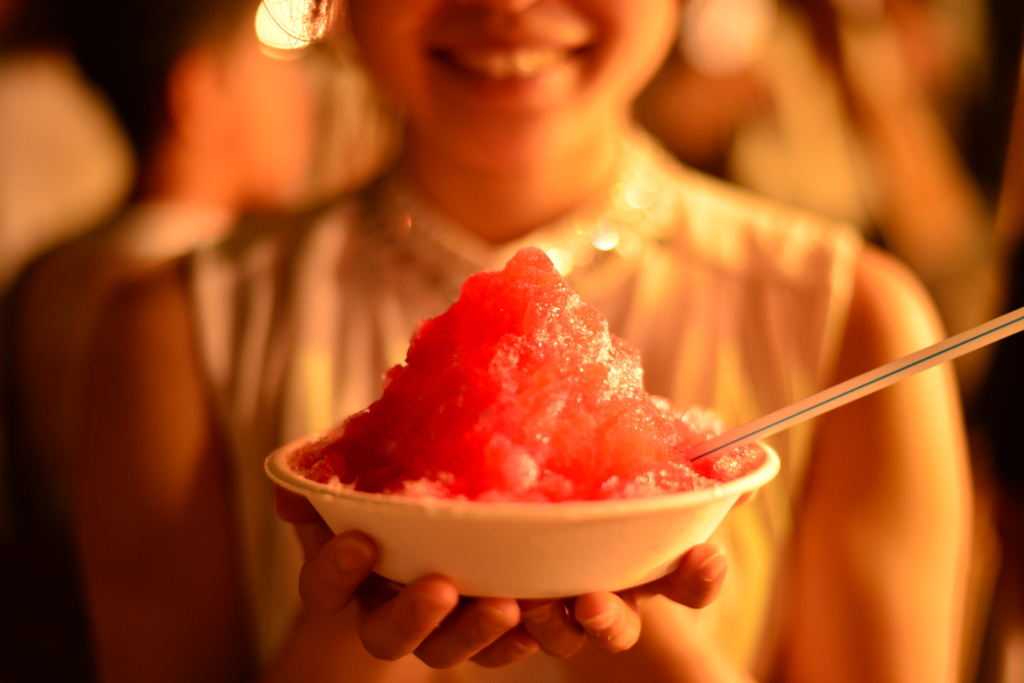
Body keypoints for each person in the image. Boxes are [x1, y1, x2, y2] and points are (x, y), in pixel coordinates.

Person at [9, 0, 972, 681]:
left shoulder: (858, 323)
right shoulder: (170, 333)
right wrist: (357, 632)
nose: (508, 4)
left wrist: (647, 642)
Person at [2, 0, 313, 679]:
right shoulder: (203, 302)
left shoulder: (45, 272)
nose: (302, 96)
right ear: (196, 93)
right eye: (273, 63)